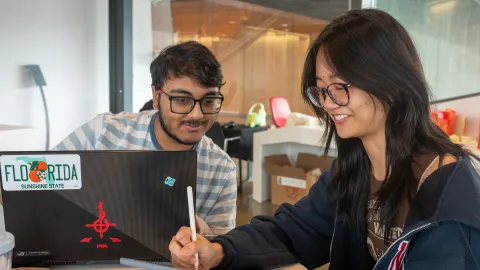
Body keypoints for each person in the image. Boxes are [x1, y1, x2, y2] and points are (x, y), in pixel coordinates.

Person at [169, 9, 480, 270]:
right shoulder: (355, 169)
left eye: (339, 86)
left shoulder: (448, 205)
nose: (329, 102)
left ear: (391, 82)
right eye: (320, 89)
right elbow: (293, 229)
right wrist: (218, 249)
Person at [52, 41, 237, 236]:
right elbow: (41, 187)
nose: (197, 115)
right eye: (182, 100)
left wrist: (205, 235)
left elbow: (221, 250)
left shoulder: (222, 170)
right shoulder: (104, 131)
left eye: (208, 101)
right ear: (156, 97)